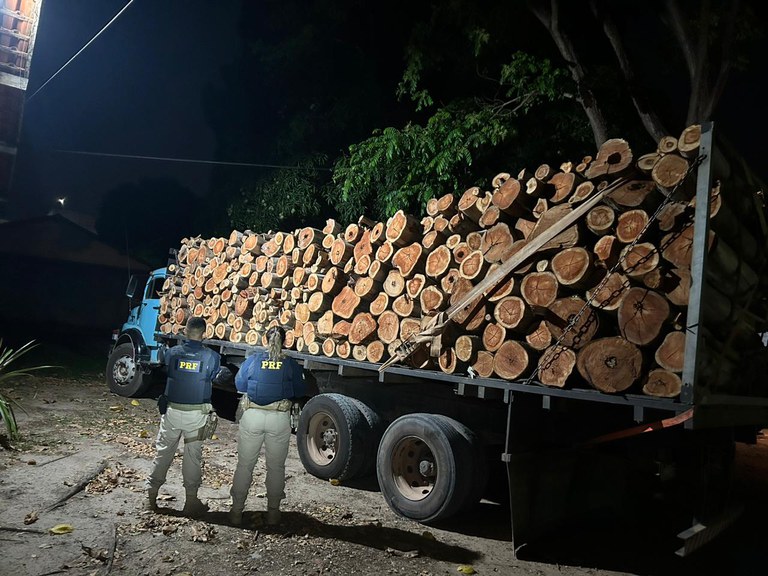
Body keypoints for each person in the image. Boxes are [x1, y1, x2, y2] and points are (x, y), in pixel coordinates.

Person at [229, 325, 306, 526]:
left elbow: (240, 385)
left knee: (244, 466)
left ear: (265, 340)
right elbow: (299, 389)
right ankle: (273, 514)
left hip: (252, 415)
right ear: (286, 342)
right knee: (275, 467)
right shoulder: (290, 363)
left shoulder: (253, 360)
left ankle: (236, 512)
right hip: (278, 418)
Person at [145, 316, 221, 516]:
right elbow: (213, 376)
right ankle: (191, 502)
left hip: (172, 411)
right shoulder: (211, 357)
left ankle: (150, 497)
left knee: (163, 453)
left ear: (185, 331)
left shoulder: (172, 353)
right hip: (196, 415)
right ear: (204, 334)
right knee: (193, 458)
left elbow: (165, 369)